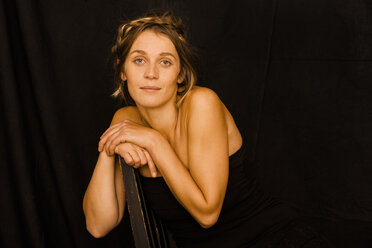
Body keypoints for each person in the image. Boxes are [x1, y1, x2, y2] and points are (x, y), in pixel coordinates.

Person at [83, 11, 332, 248]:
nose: (151, 73)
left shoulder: (202, 104)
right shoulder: (126, 120)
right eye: (139, 60)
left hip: (269, 238)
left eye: (165, 62)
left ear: (180, 74)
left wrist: (154, 141)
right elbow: (97, 225)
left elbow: (207, 214)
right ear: (122, 70)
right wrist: (109, 148)